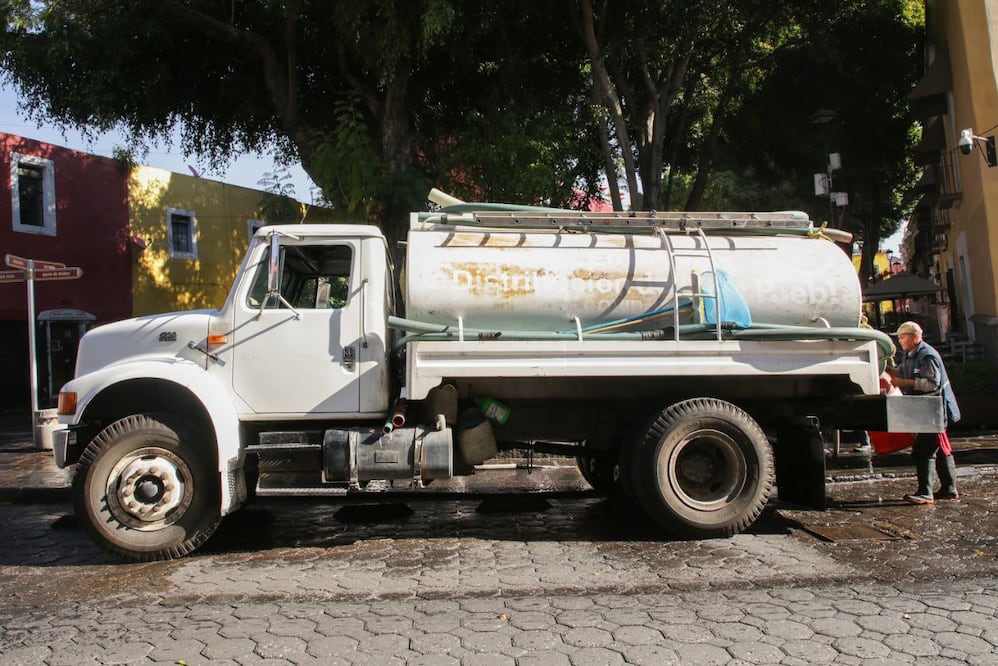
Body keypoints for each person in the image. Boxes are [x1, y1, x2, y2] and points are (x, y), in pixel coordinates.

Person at [885, 321, 961, 505]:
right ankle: (949, 489)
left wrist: (905, 384)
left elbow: (931, 384)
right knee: (942, 449)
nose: (900, 341)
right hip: (926, 411)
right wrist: (885, 369)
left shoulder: (927, 356)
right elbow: (902, 371)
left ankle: (925, 493)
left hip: (934, 410)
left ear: (915, 337)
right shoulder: (911, 355)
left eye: (903, 337)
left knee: (923, 450)